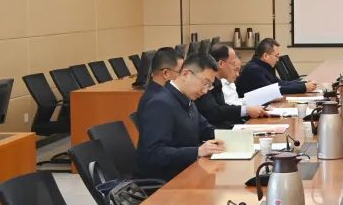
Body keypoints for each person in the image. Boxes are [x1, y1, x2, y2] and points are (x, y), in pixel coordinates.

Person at [135, 53, 225, 182]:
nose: (205, 91)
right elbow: (154, 153)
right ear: (186, 74)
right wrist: (198, 151)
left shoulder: (187, 98)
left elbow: (206, 130)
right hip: (165, 181)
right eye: (205, 83)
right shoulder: (160, 104)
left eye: (209, 86)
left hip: (187, 171)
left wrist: (239, 136)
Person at [197, 44, 267, 128]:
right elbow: (213, 112)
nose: (237, 73)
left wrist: (247, 112)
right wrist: (246, 110)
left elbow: (222, 108)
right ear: (221, 64)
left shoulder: (217, 82)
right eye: (233, 63)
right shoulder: (205, 82)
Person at [236, 38, 318, 96]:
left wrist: (303, 83)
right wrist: (303, 87)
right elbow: (274, 90)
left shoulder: (263, 66)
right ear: (265, 56)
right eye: (276, 56)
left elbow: (279, 83)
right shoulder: (254, 69)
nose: (278, 59)